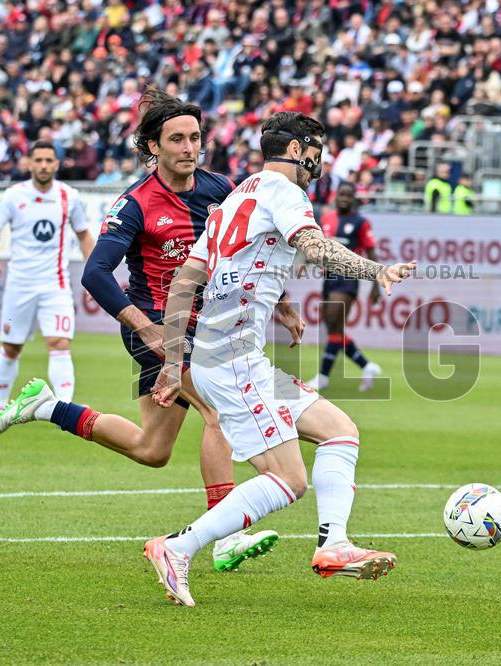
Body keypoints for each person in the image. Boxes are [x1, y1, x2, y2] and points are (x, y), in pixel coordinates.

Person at [0, 89, 291, 573]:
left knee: (152, 450)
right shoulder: (135, 204)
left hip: (206, 329)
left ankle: (50, 407)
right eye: (177, 139)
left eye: (195, 137)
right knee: (220, 413)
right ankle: (226, 534)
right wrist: (146, 329)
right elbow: (95, 274)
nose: (189, 147)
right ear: (153, 146)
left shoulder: (221, 189)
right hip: (158, 327)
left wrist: (285, 305)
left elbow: (247, 250)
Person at [144, 111, 417, 607]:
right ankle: (176, 548)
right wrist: (374, 269)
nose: (321, 159)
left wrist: (171, 364)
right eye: (316, 148)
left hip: (229, 354)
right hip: (231, 358)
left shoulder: (235, 197)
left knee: (339, 430)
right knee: (289, 479)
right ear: (296, 150)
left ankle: (333, 546)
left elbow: (186, 282)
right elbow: (313, 246)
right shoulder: (286, 194)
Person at [0, 140, 94, 420]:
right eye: (39, 160)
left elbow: (83, 235)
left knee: (59, 342)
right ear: (30, 163)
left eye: (49, 160)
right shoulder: (13, 195)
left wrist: (96, 271)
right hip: (19, 286)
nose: (44, 165)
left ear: (56, 164)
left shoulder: (70, 196)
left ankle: (65, 406)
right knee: (11, 346)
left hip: (54, 284)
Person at [307, 182, 382, 392]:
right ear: (336, 196)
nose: (344, 199)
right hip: (329, 277)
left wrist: (376, 285)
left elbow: (371, 254)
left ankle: (323, 376)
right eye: (342, 194)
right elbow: (320, 245)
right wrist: (306, 262)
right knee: (333, 328)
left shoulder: (361, 223)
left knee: (334, 323)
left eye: (349, 195)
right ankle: (367, 366)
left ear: (354, 199)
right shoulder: (327, 218)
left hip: (348, 278)